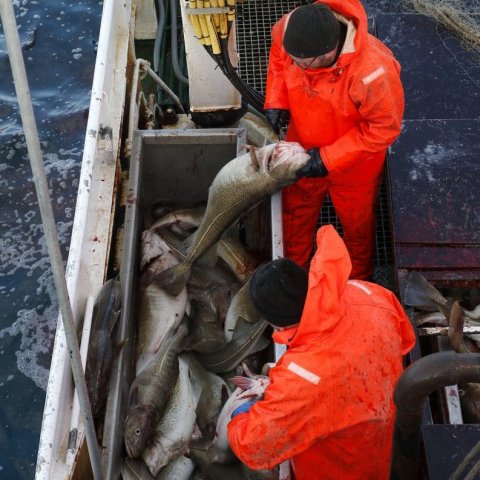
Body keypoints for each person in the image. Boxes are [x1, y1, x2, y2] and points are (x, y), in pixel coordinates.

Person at [227, 225, 415, 480]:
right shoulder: (368, 293)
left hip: (346, 466)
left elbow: (254, 448)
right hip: (391, 431)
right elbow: (406, 341)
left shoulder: (301, 380)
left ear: (275, 323)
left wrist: (239, 415)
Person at [264, 1, 404, 280]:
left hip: (355, 165)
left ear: (329, 51)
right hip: (301, 143)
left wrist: (326, 159)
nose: (297, 66)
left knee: (357, 227)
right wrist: (276, 99)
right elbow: (280, 58)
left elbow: (383, 128)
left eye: (304, 63)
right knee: (294, 213)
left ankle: (357, 281)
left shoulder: (373, 72)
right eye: (296, 59)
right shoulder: (290, 28)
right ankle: (291, 275)